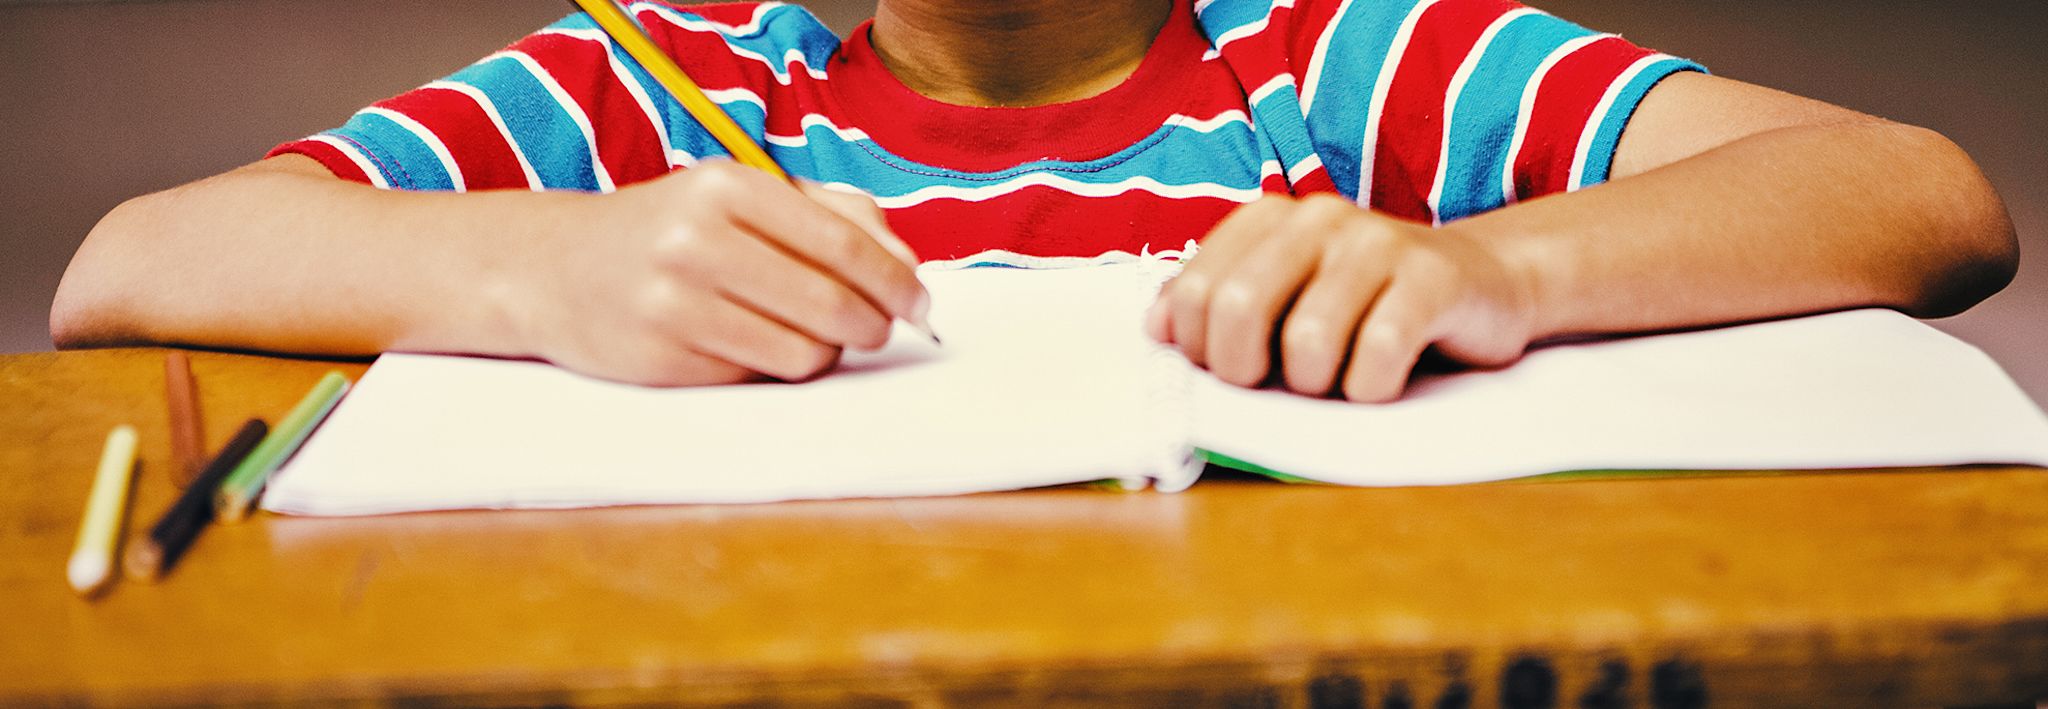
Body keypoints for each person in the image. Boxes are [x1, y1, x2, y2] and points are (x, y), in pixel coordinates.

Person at [51, 0, 2016, 402]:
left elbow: (1921, 195)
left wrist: (1486, 264)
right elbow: (127, 261)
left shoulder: (1326, 62)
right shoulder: (675, 76)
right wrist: (537, 261)